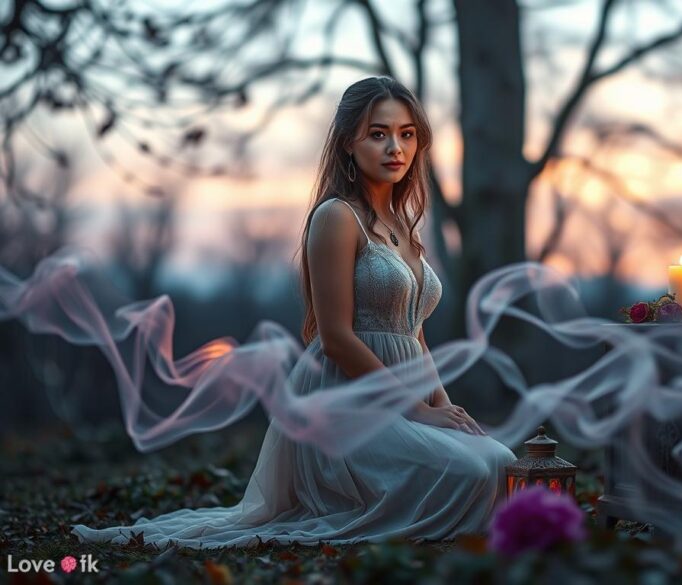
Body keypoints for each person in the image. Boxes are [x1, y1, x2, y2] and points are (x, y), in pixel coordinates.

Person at [71, 76, 516, 549]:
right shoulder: (336, 218)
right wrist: (415, 412)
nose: (395, 147)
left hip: (412, 402)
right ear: (348, 143)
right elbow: (337, 337)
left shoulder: (405, 229)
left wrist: (442, 408)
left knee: (504, 462)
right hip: (347, 405)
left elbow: (415, 337)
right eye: (377, 133)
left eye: (406, 134)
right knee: (469, 472)